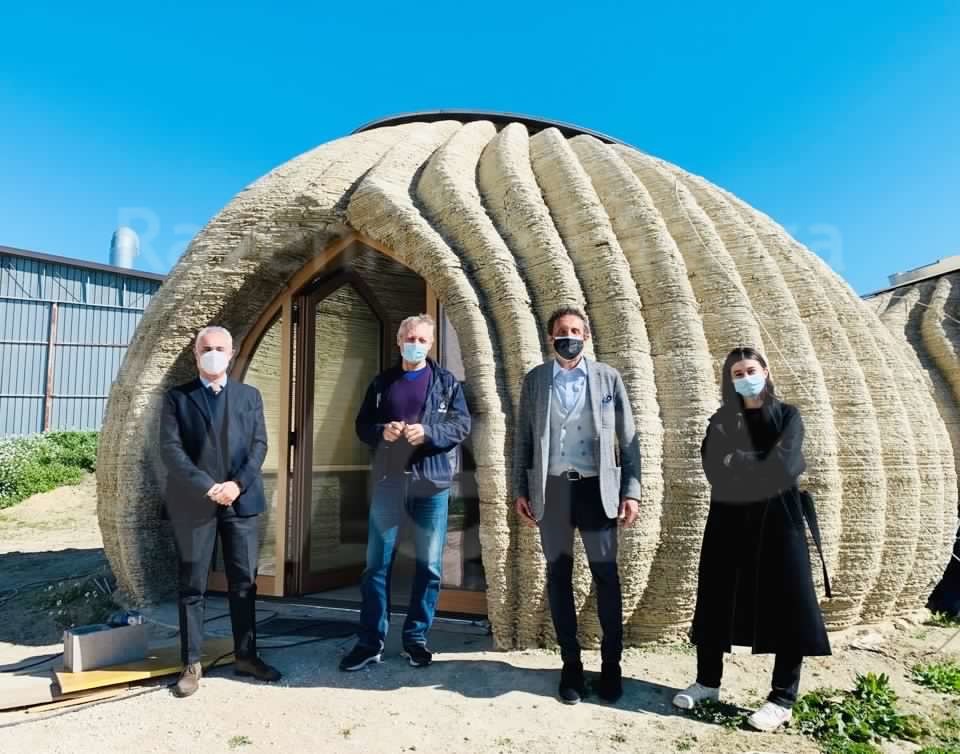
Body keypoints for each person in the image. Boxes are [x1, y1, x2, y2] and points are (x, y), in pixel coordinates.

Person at [673, 347, 831, 732]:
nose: (746, 378)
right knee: (716, 596)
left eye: (751, 370)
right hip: (729, 516)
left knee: (788, 601)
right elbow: (714, 467)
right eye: (738, 373)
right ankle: (707, 682)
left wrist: (740, 460)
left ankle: (782, 699)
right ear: (730, 380)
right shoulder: (722, 421)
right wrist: (760, 461)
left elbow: (786, 465)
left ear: (766, 371)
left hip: (780, 519)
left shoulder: (788, 416)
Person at [513, 306, 641, 705]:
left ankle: (612, 666)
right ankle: (571, 666)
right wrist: (521, 489)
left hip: (596, 490)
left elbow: (628, 438)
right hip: (552, 491)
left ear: (586, 336)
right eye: (561, 331)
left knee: (606, 576)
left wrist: (631, 490)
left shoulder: (607, 378)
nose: (567, 336)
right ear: (550, 338)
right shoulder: (536, 381)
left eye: (574, 330)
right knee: (558, 575)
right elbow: (523, 439)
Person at [339, 314, 471, 671]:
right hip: (389, 483)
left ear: (431, 344)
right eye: (410, 338)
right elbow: (362, 425)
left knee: (429, 566)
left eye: (422, 340)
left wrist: (428, 433)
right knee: (376, 565)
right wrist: (381, 432)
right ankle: (370, 642)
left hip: (432, 485)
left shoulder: (446, 383)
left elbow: (461, 425)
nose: (415, 344)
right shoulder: (382, 383)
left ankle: (416, 639)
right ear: (399, 341)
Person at [159, 326, 281, 698]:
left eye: (220, 348)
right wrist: (209, 486)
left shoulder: (249, 396)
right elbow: (171, 450)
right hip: (194, 502)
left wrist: (236, 485)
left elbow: (259, 445)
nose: (213, 354)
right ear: (196, 355)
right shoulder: (177, 398)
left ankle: (247, 656)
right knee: (192, 584)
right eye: (206, 348)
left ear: (232, 353)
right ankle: (191, 664)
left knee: (243, 582)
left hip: (240, 501)